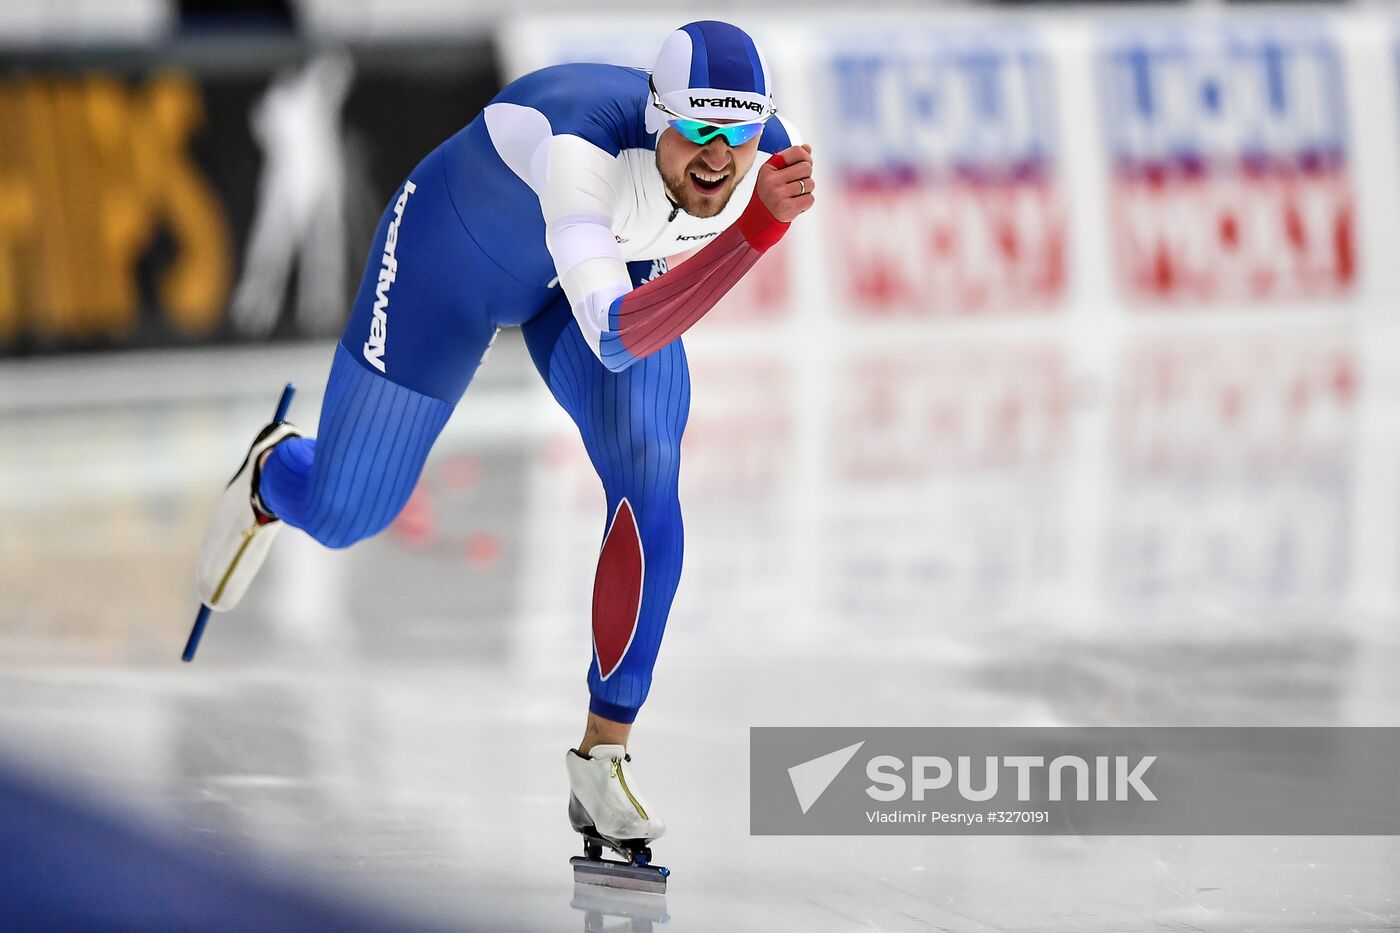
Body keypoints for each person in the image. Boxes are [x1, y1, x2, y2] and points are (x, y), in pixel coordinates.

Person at [195, 20, 814, 887]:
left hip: (599, 269)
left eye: (738, 136)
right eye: (696, 133)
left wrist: (753, 211)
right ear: (655, 114)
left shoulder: (764, 156)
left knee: (650, 464)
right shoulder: (582, 150)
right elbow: (615, 337)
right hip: (456, 258)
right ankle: (275, 472)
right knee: (347, 512)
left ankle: (604, 758)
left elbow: (633, 300)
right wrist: (757, 236)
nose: (718, 160)